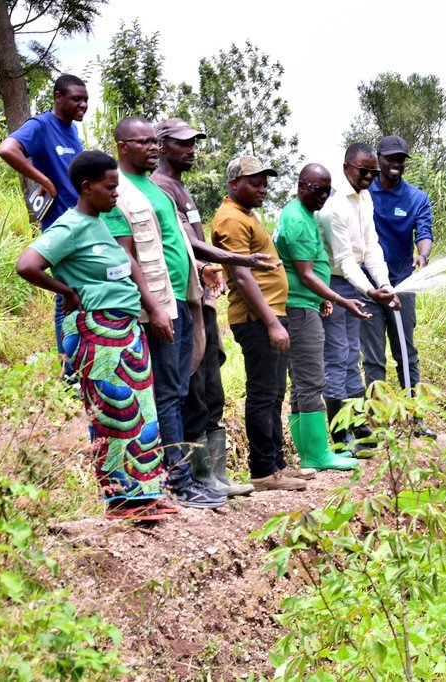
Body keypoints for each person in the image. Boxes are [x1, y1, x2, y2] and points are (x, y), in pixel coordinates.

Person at [106, 117, 277, 508]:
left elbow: (182, 244)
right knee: (169, 392)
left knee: (181, 390)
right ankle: (180, 482)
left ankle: (193, 479)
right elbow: (126, 255)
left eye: (153, 141)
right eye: (144, 142)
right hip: (159, 305)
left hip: (183, 299)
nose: (152, 147)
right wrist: (153, 306)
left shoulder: (157, 190)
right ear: (122, 147)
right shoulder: (122, 191)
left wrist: (238, 260)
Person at [15, 151, 172, 521]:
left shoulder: (99, 222)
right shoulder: (69, 227)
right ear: (87, 187)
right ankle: (121, 502)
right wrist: (67, 292)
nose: (116, 193)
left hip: (125, 329)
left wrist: (151, 308)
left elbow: (126, 264)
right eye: (109, 187)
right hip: (97, 330)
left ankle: (147, 493)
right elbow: (26, 265)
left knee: (142, 412)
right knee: (114, 413)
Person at [151, 117, 254, 498]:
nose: (191, 149)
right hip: (183, 298)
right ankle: (197, 475)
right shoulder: (160, 188)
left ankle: (216, 474)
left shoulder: (180, 187)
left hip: (202, 296)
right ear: (162, 146)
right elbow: (175, 245)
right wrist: (212, 264)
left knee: (211, 383)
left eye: (193, 142)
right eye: (183, 143)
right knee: (192, 386)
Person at [212, 155, 309, 491]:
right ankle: (263, 470)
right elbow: (241, 275)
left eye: (264, 183)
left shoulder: (246, 214)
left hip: (270, 314)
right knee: (262, 393)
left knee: (274, 393)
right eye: (254, 183)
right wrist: (272, 323)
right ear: (234, 183)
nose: (262, 189)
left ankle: (277, 465)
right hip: (257, 318)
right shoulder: (231, 219)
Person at [274, 163, 369, 471]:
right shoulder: (298, 220)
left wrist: (322, 298)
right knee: (312, 379)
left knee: (302, 383)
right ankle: (317, 454)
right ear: (301, 186)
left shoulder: (304, 213)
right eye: (318, 190)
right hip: (299, 307)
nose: (323, 197)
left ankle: (310, 455)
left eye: (328, 191)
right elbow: (305, 273)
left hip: (305, 303)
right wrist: (339, 299)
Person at [0, 74, 89, 373]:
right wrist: (44, 180)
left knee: (79, 293)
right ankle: (69, 373)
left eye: (86, 100)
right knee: (67, 294)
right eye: (76, 99)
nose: (83, 105)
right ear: (58, 97)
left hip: (80, 223)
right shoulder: (41, 125)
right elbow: (7, 149)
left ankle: (80, 364)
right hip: (61, 225)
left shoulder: (71, 130)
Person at [316, 143, 398, 449]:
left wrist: (385, 284)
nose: (369, 177)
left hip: (354, 281)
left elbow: (371, 246)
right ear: (346, 168)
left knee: (353, 352)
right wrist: (370, 290)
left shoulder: (365, 198)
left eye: (373, 172)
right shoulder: (334, 207)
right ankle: (340, 434)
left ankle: (358, 423)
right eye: (364, 171)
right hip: (333, 283)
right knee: (337, 355)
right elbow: (345, 259)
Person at [366, 135, 436, 439]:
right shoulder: (364, 192)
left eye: (401, 159)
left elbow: (425, 231)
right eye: (390, 158)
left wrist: (422, 255)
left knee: (406, 353)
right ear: (378, 159)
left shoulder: (416, 198)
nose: (396, 164)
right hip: (368, 287)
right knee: (373, 359)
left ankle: (414, 419)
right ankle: (376, 424)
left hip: (402, 284)